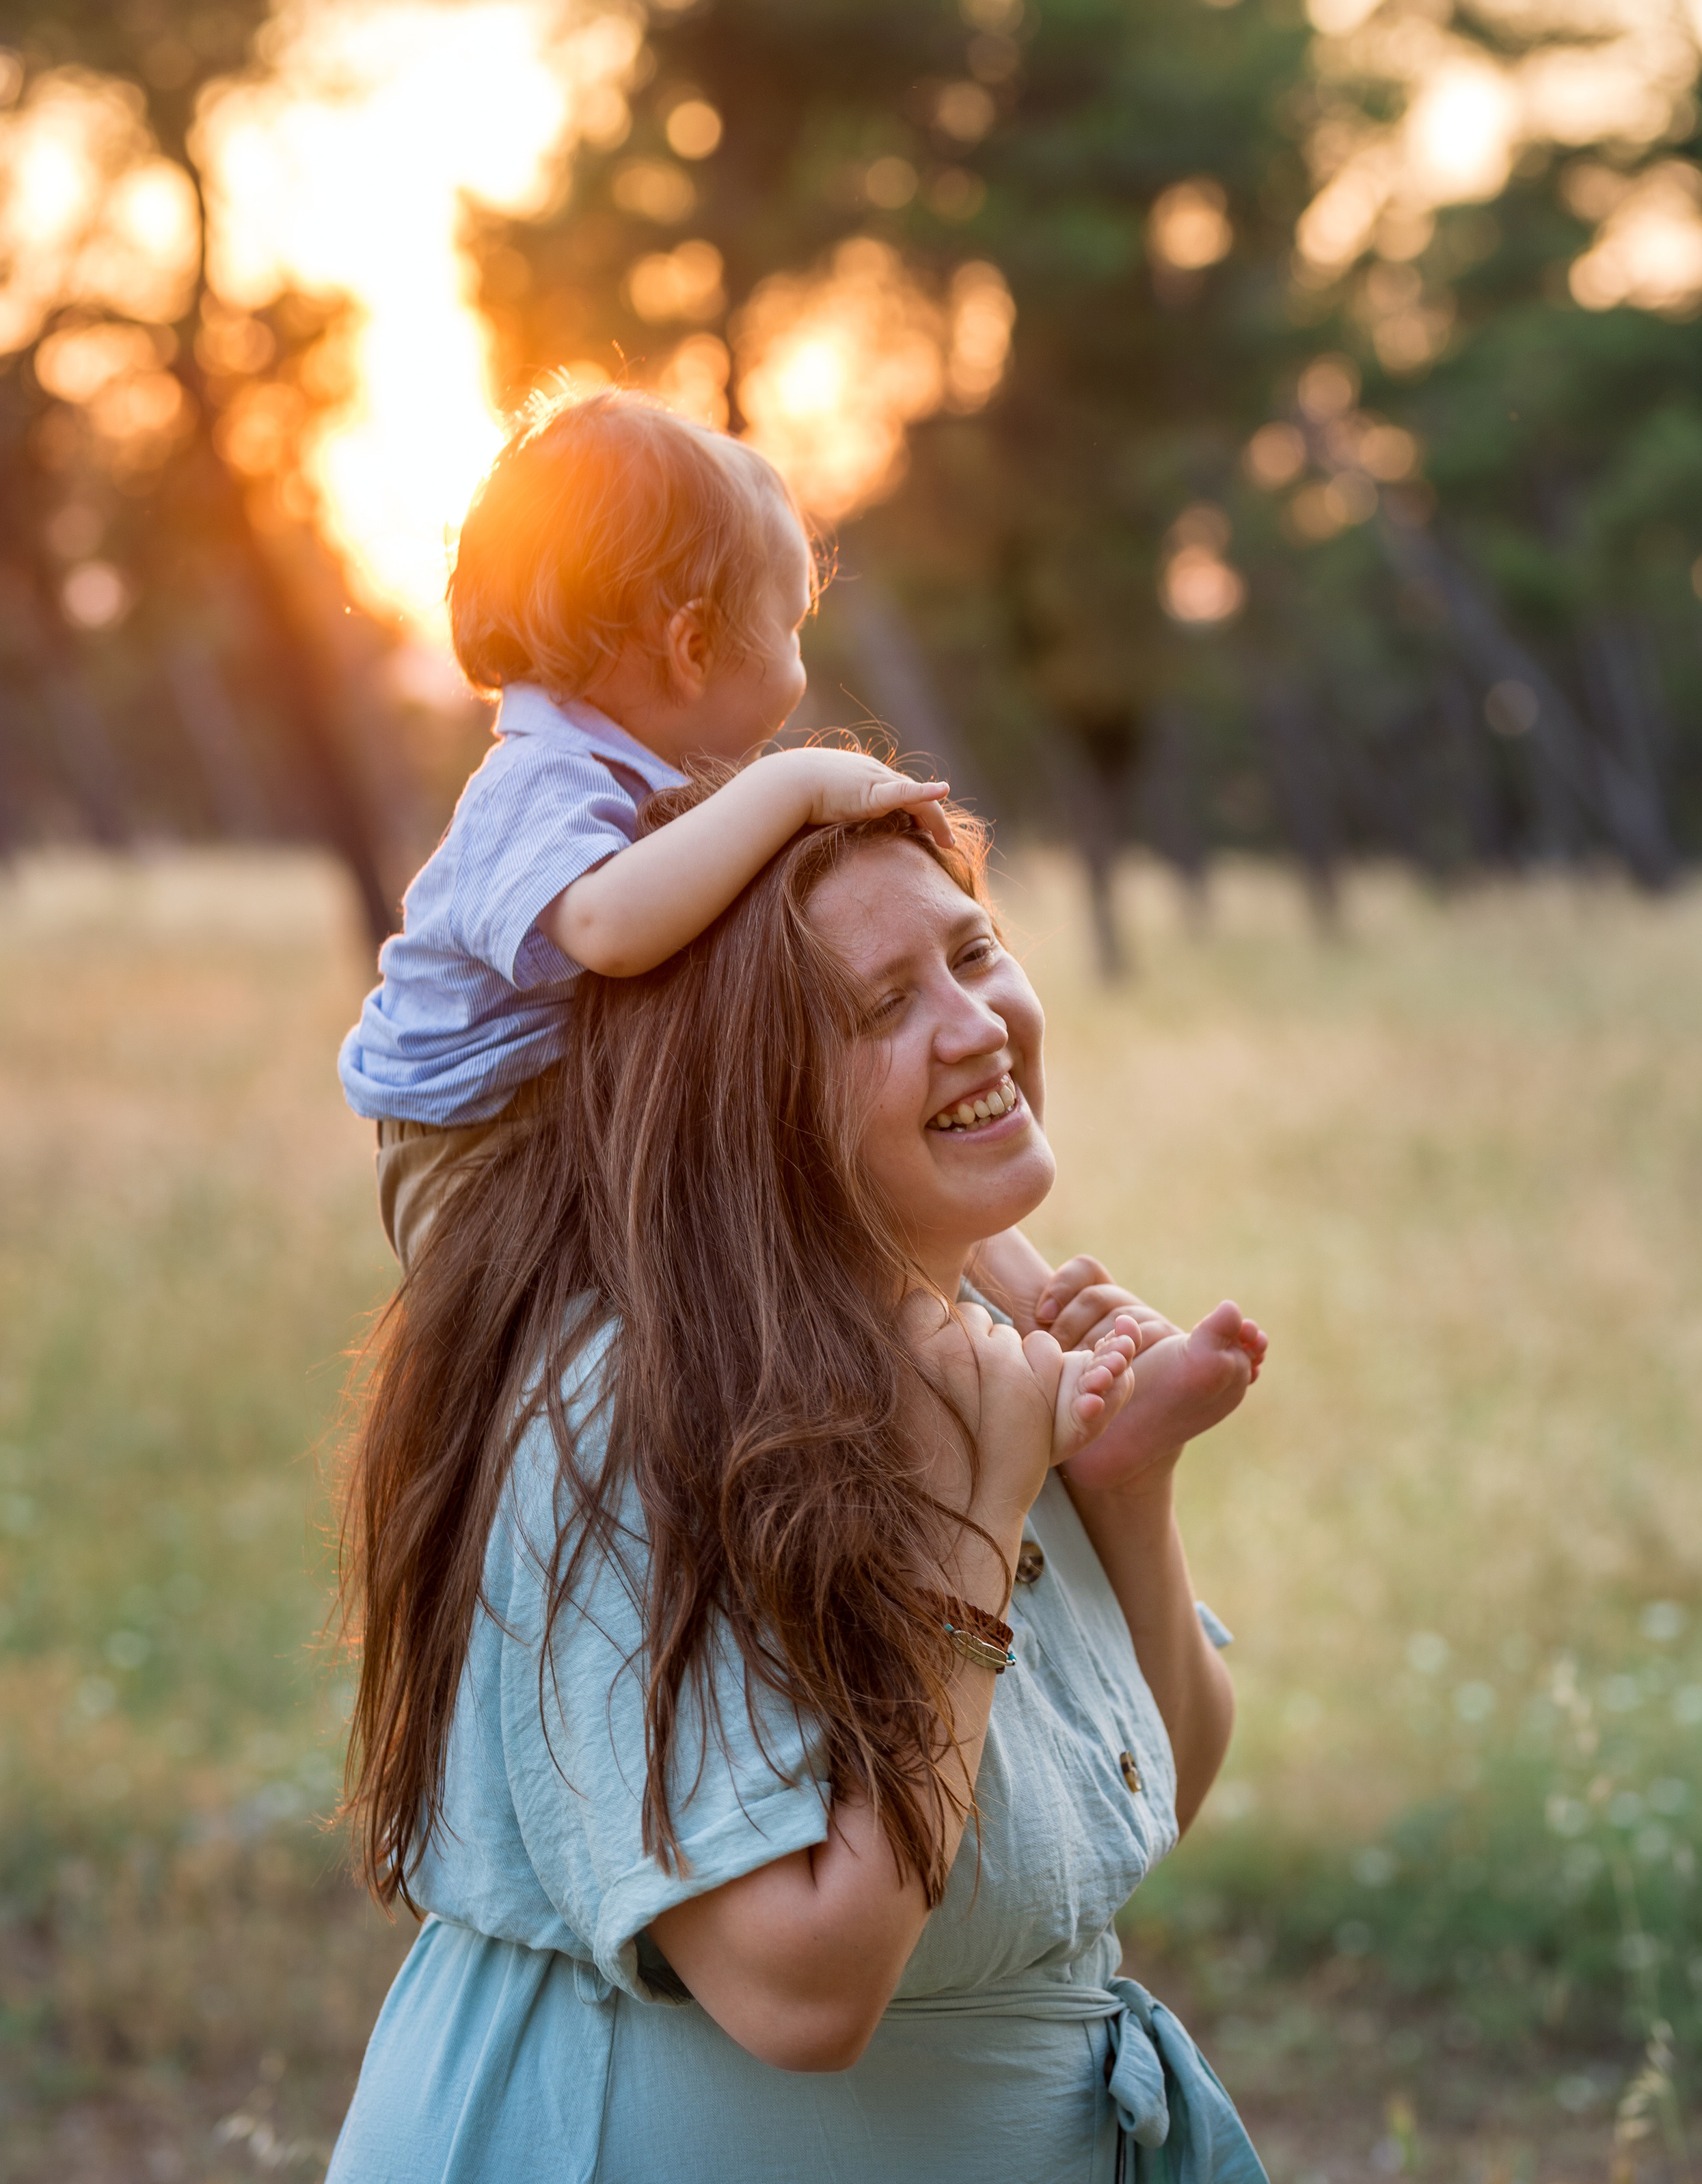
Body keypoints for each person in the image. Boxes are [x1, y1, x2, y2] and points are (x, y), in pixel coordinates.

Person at [328, 783, 1270, 2183]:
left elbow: (1140, 1804)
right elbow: (801, 1992)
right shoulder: (629, 1413)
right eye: (876, 1009)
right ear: (741, 1099)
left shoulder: (962, 1345)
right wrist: (972, 1526)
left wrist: (1125, 1489)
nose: (975, 1024)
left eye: (972, 951)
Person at [338, 386, 1261, 1467]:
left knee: (857, 1165)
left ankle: (1038, 1319)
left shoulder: (640, 783)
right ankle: (945, 1419)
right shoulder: (539, 780)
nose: (800, 665)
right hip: (476, 1152)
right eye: (788, 630)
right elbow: (608, 929)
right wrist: (797, 783)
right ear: (691, 647)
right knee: (663, 1330)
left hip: (570, 1104)